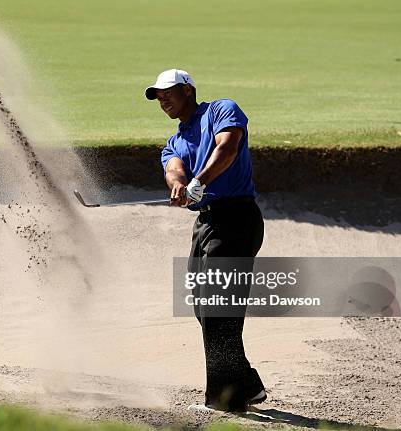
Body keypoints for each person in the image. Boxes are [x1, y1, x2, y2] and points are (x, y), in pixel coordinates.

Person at [145, 69, 267, 411]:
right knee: (203, 307)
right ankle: (246, 383)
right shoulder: (175, 140)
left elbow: (227, 147)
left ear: (188, 89)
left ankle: (224, 398)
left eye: (168, 92)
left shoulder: (221, 110)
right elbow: (173, 167)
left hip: (237, 218)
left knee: (218, 309)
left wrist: (200, 179)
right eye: (157, 96)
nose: (162, 99)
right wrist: (180, 184)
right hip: (207, 223)